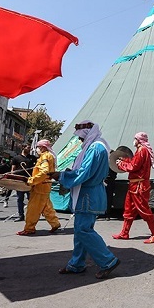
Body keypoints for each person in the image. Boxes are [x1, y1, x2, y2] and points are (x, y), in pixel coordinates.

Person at [49, 120, 120, 279]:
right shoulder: (95, 146)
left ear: (87, 134)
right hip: (88, 194)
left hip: (88, 195)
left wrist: (62, 175)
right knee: (81, 230)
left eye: (81, 137)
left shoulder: (96, 148)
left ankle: (108, 260)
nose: (80, 140)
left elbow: (83, 173)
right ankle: (76, 264)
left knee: (83, 230)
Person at [112, 132, 154, 244]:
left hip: (139, 186)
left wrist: (121, 164)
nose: (134, 140)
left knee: (144, 210)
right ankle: (124, 233)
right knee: (129, 210)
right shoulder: (140, 151)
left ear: (139, 140)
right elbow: (134, 162)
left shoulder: (142, 150)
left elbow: (134, 166)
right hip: (134, 185)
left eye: (135, 138)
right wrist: (123, 160)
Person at [16, 139, 60, 235]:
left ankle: (29, 228)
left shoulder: (44, 156)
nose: (36, 149)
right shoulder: (49, 156)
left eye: (38, 147)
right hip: (45, 186)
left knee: (33, 209)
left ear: (43, 147)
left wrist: (32, 181)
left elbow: (44, 172)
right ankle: (55, 223)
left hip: (40, 187)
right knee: (46, 207)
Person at [10, 143, 36, 222]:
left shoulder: (32, 158)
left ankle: (31, 215)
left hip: (29, 181)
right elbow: (13, 170)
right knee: (19, 199)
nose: (30, 149)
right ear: (23, 148)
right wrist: (12, 178)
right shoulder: (16, 158)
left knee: (31, 199)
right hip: (20, 181)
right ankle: (21, 215)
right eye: (28, 147)